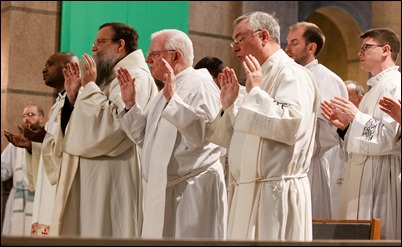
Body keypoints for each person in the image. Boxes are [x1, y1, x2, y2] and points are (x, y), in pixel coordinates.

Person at [207, 11, 319, 241]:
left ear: (264, 36)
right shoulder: (258, 77)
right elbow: (245, 137)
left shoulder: (292, 74)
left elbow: (292, 125)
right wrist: (229, 108)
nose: (234, 47)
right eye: (233, 41)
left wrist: (256, 92)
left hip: (275, 193)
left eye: (240, 39)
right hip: (247, 190)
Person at [50, 22, 158, 238]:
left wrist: (89, 88)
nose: (94, 48)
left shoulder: (135, 76)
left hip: (115, 176)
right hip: (96, 177)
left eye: (101, 42)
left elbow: (114, 127)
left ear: (120, 45)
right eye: (95, 42)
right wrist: (72, 98)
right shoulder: (109, 78)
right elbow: (82, 126)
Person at [117, 29, 227, 239]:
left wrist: (173, 101)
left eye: (155, 54)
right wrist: (131, 104)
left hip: (191, 191)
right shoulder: (165, 91)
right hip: (163, 189)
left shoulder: (201, 84)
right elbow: (144, 137)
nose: (148, 59)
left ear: (176, 56)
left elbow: (204, 137)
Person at [321, 28, 401, 240]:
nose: (360, 53)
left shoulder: (395, 85)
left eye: (366, 47)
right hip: (362, 174)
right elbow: (364, 138)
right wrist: (345, 128)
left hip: (381, 177)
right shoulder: (372, 91)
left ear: (386, 50)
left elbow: (392, 139)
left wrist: (356, 118)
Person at [4, 52, 78, 237]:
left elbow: (70, 145)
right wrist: (31, 145)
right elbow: (52, 143)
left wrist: (41, 139)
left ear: (68, 68)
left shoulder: (77, 101)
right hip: (48, 185)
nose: (44, 69)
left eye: (50, 64)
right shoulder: (57, 105)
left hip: (63, 184)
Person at [285, 21, 348, 219]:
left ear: (311, 47)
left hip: (310, 166)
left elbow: (331, 131)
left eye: (294, 43)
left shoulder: (327, 80)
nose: (287, 48)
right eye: (287, 43)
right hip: (286, 165)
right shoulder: (287, 76)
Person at [2, 104, 45, 236]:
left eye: (31, 115)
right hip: (18, 197)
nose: (26, 118)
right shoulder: (15, 144)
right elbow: (3, 169)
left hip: (39, 196)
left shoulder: (46, 140)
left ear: (41, 118)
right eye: (24, 115)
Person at [326, 80, 365, 219]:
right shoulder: (333, 121)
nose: (340, 101)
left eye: (346, 96)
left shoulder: (365, 123)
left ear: (360, 99)